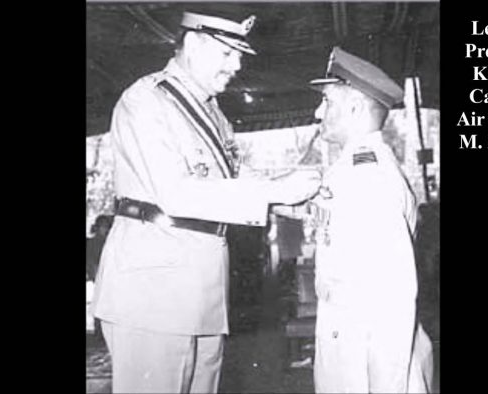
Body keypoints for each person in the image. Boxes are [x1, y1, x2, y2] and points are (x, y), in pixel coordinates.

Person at [90, 10, 321, 394]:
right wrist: (273, 191)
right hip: (153, 292)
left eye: (240, 54)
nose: (238, 64)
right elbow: (174, 192)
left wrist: (291, 200)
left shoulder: (212, 112)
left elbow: (228, 181)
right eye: (228, 52)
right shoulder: (147, 101)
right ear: (194, 43)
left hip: (203, 288)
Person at [308, 47, 434, 393]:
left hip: (363, 353)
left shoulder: (368, 178)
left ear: (354, 107)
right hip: (351, 342)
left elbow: (391, 301)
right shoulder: (353, 170)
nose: (319, 112)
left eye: (328, 102)